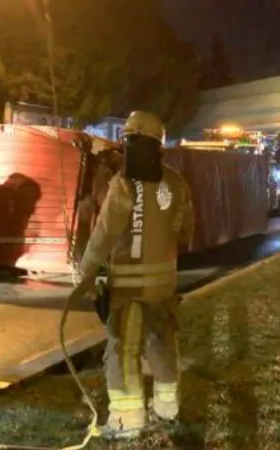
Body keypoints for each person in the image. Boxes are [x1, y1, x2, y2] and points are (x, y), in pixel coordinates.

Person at [72, 111, 195, 439]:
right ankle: (168, 409)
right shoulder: (177, 184)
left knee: (123, 349)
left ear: (126, 144)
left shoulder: (123, 183)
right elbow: (185, 233)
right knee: (164, 345)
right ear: (160, 146)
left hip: (128, 291)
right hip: (164, 289)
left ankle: (128, 419)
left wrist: (87, 274)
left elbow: (104, 234)